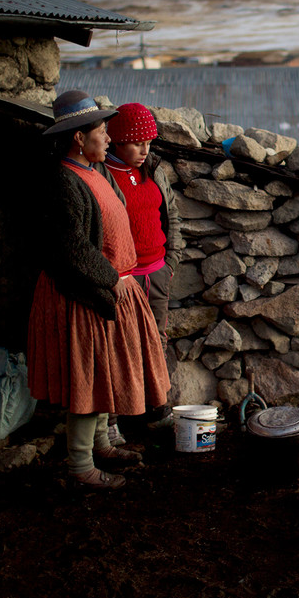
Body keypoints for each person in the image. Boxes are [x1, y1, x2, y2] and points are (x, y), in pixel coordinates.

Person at [26, 90, 171, 490]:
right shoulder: (63, 181)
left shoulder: (96, 171)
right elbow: (71, 247)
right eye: (102, 131)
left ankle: (102, 445)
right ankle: (80, 467)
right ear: (79, 138)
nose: (108, 138)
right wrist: (112, 278)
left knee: (105, 372)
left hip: (111, 288)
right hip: (84, 294)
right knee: (87, 380)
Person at [102, 103, 181, 441]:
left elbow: (171, 213)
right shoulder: (102, 175)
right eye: (137, 143)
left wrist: (171, 261)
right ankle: (111, 422)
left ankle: (157, 410)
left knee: (156, 341)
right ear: (118, 141)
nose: (145, 150)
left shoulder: (153, 170)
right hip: (123, 278)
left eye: (148, 143)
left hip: (157, 272)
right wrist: (113, 276)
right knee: (117, 344)